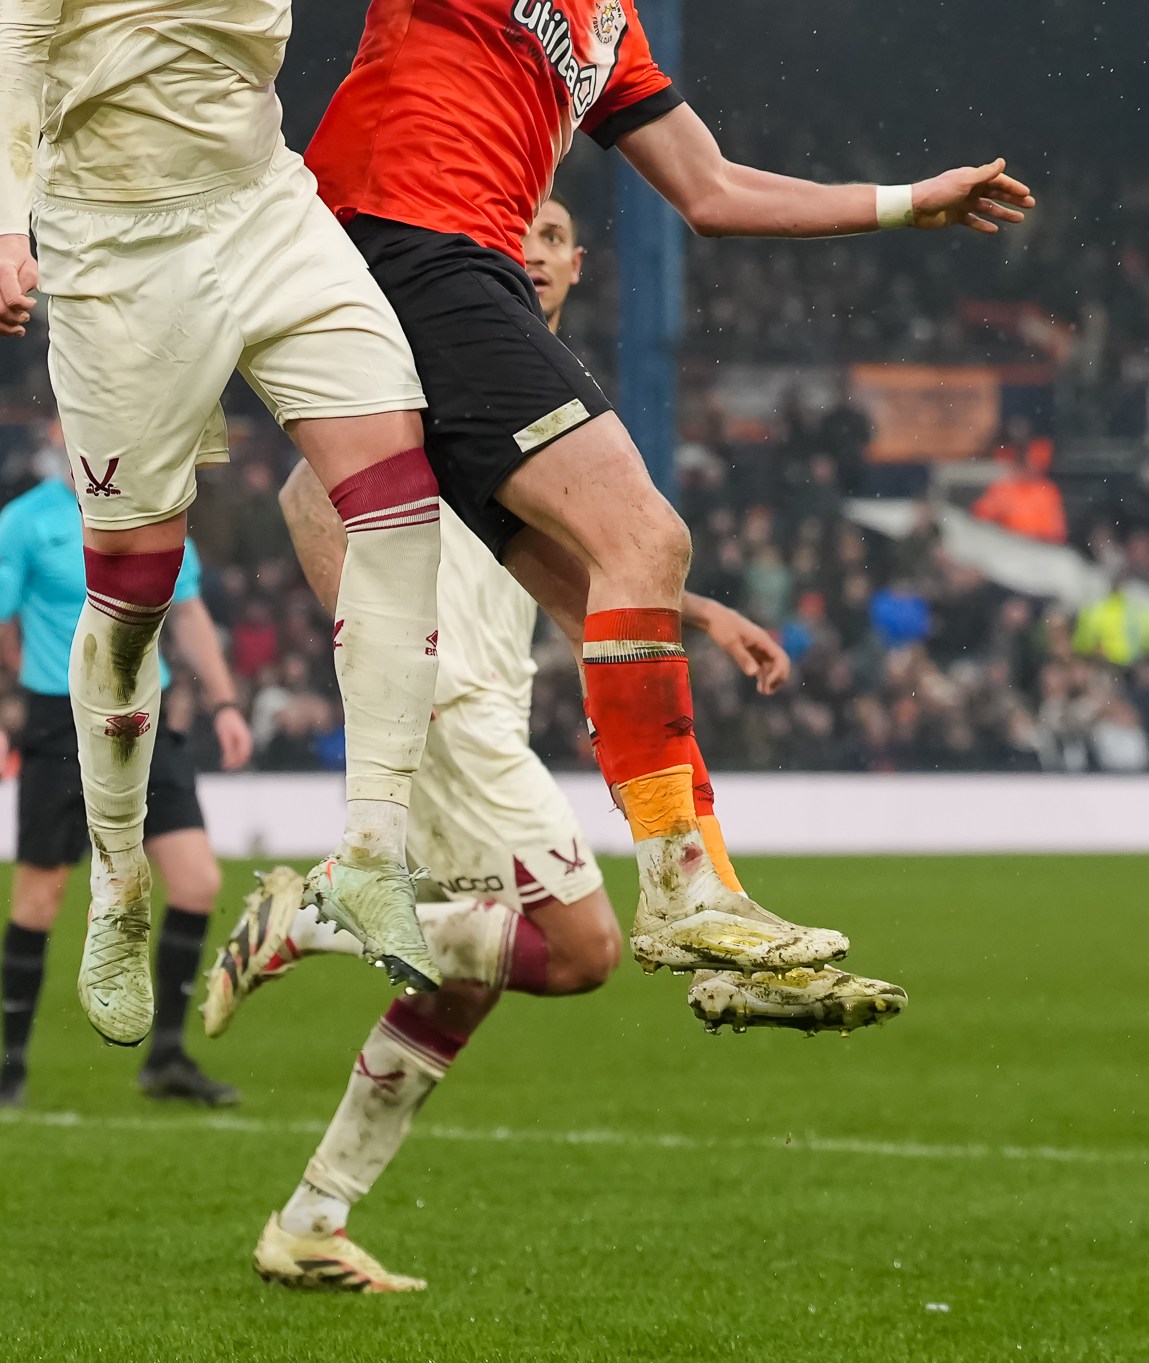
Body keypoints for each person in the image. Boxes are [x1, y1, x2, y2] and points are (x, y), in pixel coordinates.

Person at [0, 0, 842, 1047]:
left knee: (385, 492)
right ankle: (116, 872)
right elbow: (8, 40)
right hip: (116, 243)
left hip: (268, 198)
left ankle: (366, 857)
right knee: (129, 599)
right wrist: (8, 226)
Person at [212, 0, 1024, 979]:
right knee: (647, 534)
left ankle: (676, 892)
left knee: (610, 584)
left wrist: (912, 199)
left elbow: (712, 186)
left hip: (449, 271)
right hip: (406, 241)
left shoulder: (608, 6)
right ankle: (684, 889)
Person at [212, 199, 907, 1294]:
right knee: (579, 946)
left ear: (578, 263)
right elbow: (308, 491)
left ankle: (311, 1216)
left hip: (489, 705)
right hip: (448, 706)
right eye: (516, 232)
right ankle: (318, 913)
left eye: (551, 238)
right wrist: (390, 662)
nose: (532, 253)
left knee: (463, 982)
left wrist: (704, 613)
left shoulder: (531, 388)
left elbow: (587, 573)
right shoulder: (427, 363)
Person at [0, 424, 257, 1108]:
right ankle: (10, 1072)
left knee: (198, 882)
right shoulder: (28, 521)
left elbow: (187, 613)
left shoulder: (158, 507)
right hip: (59, 722)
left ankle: (168, 1058)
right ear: (58, 433)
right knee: (40, 900)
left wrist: (224, 703)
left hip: (145, 720)